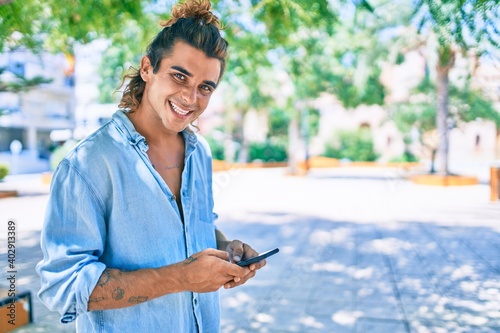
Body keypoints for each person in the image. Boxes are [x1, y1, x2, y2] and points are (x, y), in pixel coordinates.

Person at [36, 1, 266, 331]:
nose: (190, 98)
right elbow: (63, 286)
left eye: (205, 87)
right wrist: (182, 277)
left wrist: (225, 249)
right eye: (179, 76)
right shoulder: (87, 165)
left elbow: (190, 231)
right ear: (147, 69)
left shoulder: (199, 153)